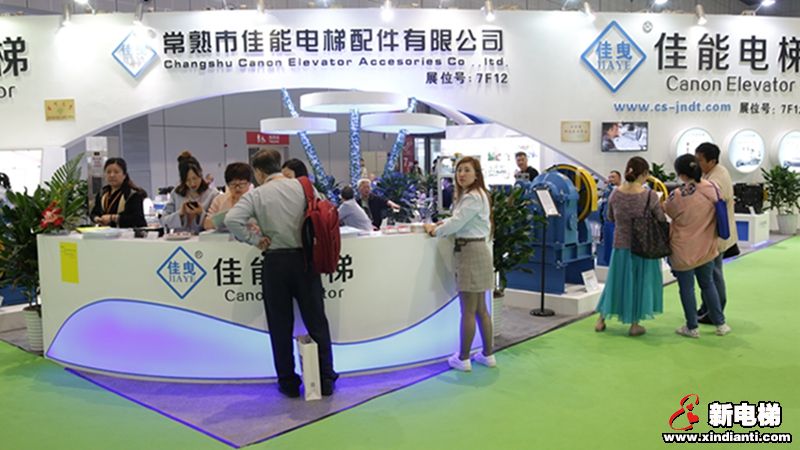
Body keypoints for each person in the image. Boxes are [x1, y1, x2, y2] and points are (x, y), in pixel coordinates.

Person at [225, 149, 337, 398]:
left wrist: (255, 239)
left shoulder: (257, 194)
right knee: (317, 321)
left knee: (280, 326)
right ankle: (325, 378)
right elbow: (323, 210)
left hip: (275, 262)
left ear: (258, 172)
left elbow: (232, 219)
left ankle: (288, 382)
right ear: (278, 165)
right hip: (306, 259)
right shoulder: (303, 186)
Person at [423, 156, 495, 372]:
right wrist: (442, 223)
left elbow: (457, 223)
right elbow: (460, 220)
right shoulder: (478, 194)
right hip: (477, 250)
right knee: (481, 309)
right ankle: (488, 354)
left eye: (466, 170)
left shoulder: (472, 196)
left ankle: (463, 358)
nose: (461, 174)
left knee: (469, 310)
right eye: (459, 170)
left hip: (470, 252)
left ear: (476, 174)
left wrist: (435, 230)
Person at [594, 156, 664, 336]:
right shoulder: (649, 195)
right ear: (644, 174)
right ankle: (634, 324)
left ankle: (601, 319)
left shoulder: (615, 194)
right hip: (642, 246)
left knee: (614, 282)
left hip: (620, 245)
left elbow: (609, 217)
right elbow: (660, 218)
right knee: (638, 284)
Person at [666, 154, 731, 338]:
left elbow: (668, 211)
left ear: (681, 174)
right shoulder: (713, 188)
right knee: (708, 284)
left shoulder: (677, 195)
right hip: (707, 247)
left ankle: (692, 327)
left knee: (687, 289)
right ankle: (720, 323)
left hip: (683, 249)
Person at [694, 142, 738, 324]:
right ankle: (708, 308)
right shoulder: (711, 173)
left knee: (714, 275)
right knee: (710, 274)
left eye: (699, 160)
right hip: (714, 234)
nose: (696, 163)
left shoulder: (718, 177)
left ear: (711, 161)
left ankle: (715, 311)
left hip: (716, 234)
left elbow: (709, 199)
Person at [161, 151, 218, 234]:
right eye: (187, 180)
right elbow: (163, 221)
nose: (192, 183)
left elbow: (216, 224)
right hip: (179, 239)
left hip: (203, 240)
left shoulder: (213, 195)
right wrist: (180, 213)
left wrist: (201, 213)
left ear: (200, 174)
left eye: (195, 178)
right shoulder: (176, 194)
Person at [90, 158, 147, 228]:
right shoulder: (102, 193)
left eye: (116, 172)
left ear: (124, 175)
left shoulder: (132, 194)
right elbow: (94, 213)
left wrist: (113, 218)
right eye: (108, 172)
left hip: (128, 233)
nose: (112, 175)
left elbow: (137, 219)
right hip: (106, 232)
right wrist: (96, 218)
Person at [203, 162, 254, 230]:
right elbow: (206, 224)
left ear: (249, 184)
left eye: (241, 184)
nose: (237, 188)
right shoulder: (219, 200)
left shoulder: (256, 200)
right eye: (233, 184)